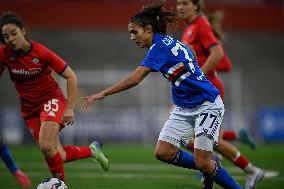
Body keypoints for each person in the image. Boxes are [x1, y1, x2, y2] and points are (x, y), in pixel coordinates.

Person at [82, 3, 243, 189]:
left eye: (135, 32)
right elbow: (190, 50)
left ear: (148, 29)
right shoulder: (168, 41)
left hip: (207, 104)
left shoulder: (158, 47)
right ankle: (209, 168)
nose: (132, 37)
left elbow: (135, 79)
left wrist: (103, 93)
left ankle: (214, 171)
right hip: (184, 106)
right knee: (163, 152)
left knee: (203, 162)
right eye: (130, 33)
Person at [0, 12, 110, 182]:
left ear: (23, 31)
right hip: (29, 109)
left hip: (51, 100)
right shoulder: (4, 54)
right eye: (6, 36)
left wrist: (70, 108)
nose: (11, 39)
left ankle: (59, 186)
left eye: (14, 33)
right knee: (57, 153)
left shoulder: (41, 52)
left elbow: (71, 76)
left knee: (45, 146)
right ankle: (92, 151)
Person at [176, 0, 264, 188]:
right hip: (196, 90)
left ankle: (245, 168)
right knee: (200, 138)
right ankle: (243, 166)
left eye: (184, 3)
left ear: (196, 6)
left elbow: (218, 56)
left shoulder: (200, 24)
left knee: (191, 136)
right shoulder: (190, 28)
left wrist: (197, 76)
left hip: (206, 89)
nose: (179, 7)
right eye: (177, 3)